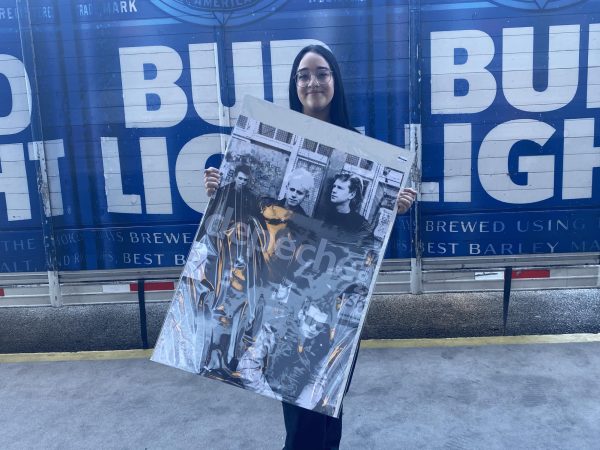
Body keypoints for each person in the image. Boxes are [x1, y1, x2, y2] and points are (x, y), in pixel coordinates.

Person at [204, 44, 417, 450]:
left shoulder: (360, 149)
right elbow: (250, 218)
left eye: (322, 73)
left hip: (337, 303)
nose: (312, 82)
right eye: (303, 74)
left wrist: (396, 209)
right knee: (299, 407)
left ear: (335, 81)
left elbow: (362, 238)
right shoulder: (279, 140)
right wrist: (221, 192)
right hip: (286, 298)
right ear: (294, 84)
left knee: (329, 403)